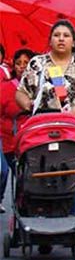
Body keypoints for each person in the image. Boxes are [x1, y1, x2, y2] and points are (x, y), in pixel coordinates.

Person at [16, 20, 75, 132]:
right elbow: (21, 92)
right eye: (56, 35)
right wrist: (28, 104)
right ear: (50, 41)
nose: (61, 39)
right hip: (41, 130)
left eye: (66, 35)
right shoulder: (37, 63)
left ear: (73, 42)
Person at [0, 49, 34, 214]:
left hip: (35, 140)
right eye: (18, 63)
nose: (22, 67)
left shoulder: (43, 84)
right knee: (15, 175)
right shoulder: (5, 87)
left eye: (26, 63)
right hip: (10, 142)